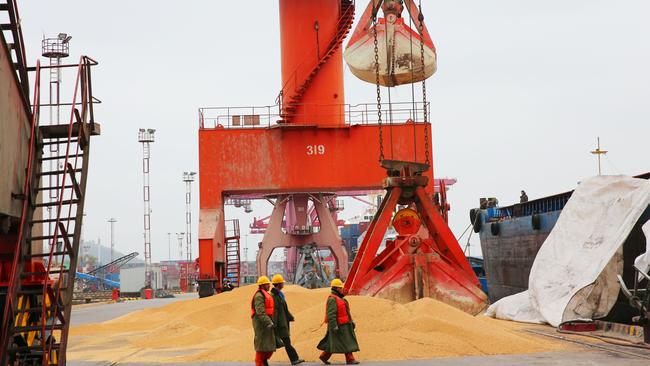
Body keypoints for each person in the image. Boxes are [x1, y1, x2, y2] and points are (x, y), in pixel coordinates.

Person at [317, 279, 360, 365]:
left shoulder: (340, 298)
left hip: (344, 324)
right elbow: (331, 314)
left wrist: (351, 322)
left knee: (333, 342)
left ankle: (324, 356)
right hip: (339, 325)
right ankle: (350, 359)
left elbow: (346, 312)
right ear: (336, 288)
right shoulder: (332, 299)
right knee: (346, 341)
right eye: (340, 288)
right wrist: (334, 326)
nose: (342, 289)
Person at [270, 274, 305, 365]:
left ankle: (294, 359)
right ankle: (294, 359)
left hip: (283, 322)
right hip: (280, 324)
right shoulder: (274, 296)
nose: (283, 284)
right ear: (278, 284)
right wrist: (274, 323)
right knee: (286, 342)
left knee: (283, 342)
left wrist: (290, 317)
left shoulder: (280, 294)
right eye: (282, 283)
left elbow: (284, 309)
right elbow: (276, 311)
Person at [251, 276, 281, 366]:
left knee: (268, 345)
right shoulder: (259, 296)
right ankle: (260, 363)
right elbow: (260, 312)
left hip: (266, 322)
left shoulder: (265, 294)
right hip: (261, 324)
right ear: (263, 285)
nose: (269, 286)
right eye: (267, 284)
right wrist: (268, 322)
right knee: (261, 345)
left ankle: (264, 361)